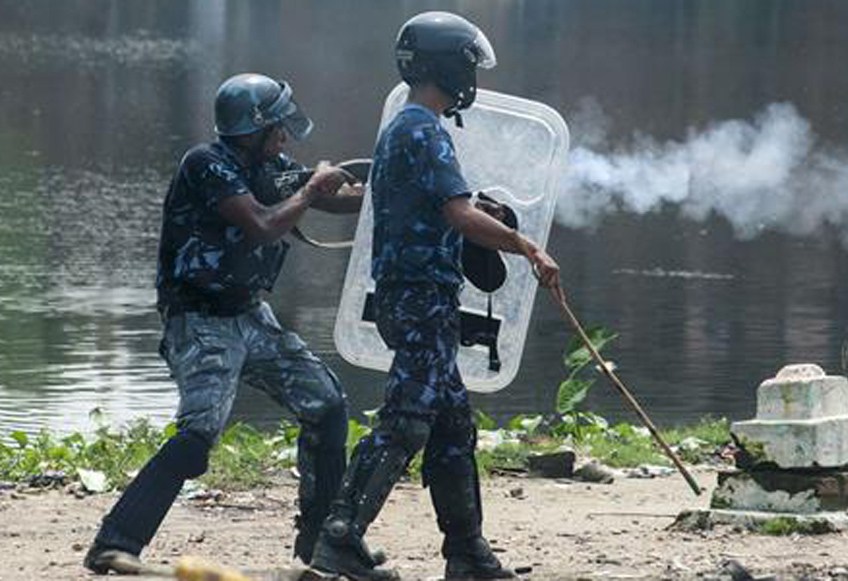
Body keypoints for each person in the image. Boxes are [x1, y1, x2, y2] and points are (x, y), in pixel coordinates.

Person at [310, 12, 561, 581]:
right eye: (468, 64)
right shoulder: (423, 130)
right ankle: (341, 537)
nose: (471, 75)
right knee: (405, 422)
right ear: (447, 65)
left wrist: (485, 217)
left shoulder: (409, 127)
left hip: (419, 298)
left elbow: (447, 207)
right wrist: (526, 246)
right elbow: (457, 213)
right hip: (420, 299)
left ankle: (467, 553)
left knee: (451, 429)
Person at [83, 73, 363, 574]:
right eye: (277, 126)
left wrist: (371, 189)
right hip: (199, 320)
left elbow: (325, 197)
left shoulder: (269, 165)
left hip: (249, 314)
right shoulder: (206, 165)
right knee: (197, 438)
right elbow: (261, 225)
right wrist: (313, 188)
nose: (285, 137)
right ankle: (114, 541)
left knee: (326, 404)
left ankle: (318, 547)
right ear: (253, 128)